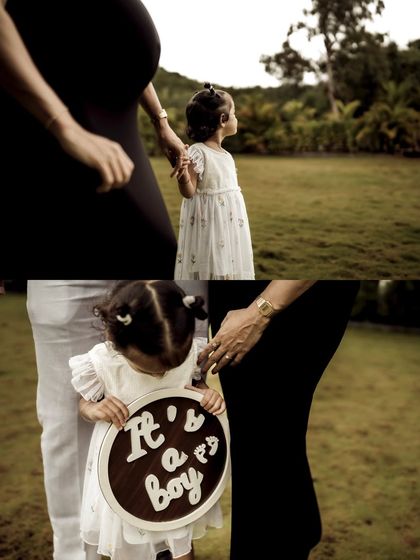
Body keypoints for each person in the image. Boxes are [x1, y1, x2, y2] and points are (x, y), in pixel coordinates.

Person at [0, 0, 186, 276]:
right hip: (63, 120)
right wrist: (65, 126)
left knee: (155, 252)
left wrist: (161, 122)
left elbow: (114, 41)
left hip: (118, 127)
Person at [199, 280, 360, 560]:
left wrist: (260, 311)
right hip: (240, 296)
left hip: (281, 297)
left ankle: (289, 536)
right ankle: (298, 529)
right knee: (263, 437)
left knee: (263, 441)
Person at [69, 280, 225, 560]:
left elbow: (196, 390)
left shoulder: (189, 352)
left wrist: (208, 397)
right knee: (125, 540)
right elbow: (84, 403)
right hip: (123, 471)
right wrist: (95, 409)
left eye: (170, 367)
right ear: (117, 341)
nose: (160, 375)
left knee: (179, 536)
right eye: (149, 369)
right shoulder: (103, 363)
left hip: (175, 467)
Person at [173, 83, 254, 280]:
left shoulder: (225, 154)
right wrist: (183, 176)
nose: (237, 118)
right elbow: (189, 191)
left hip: (228, 223)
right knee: (210, 267)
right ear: (223, 119)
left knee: (227, 264)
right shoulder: (198, 151)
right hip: (209, 225)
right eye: (234, 113)